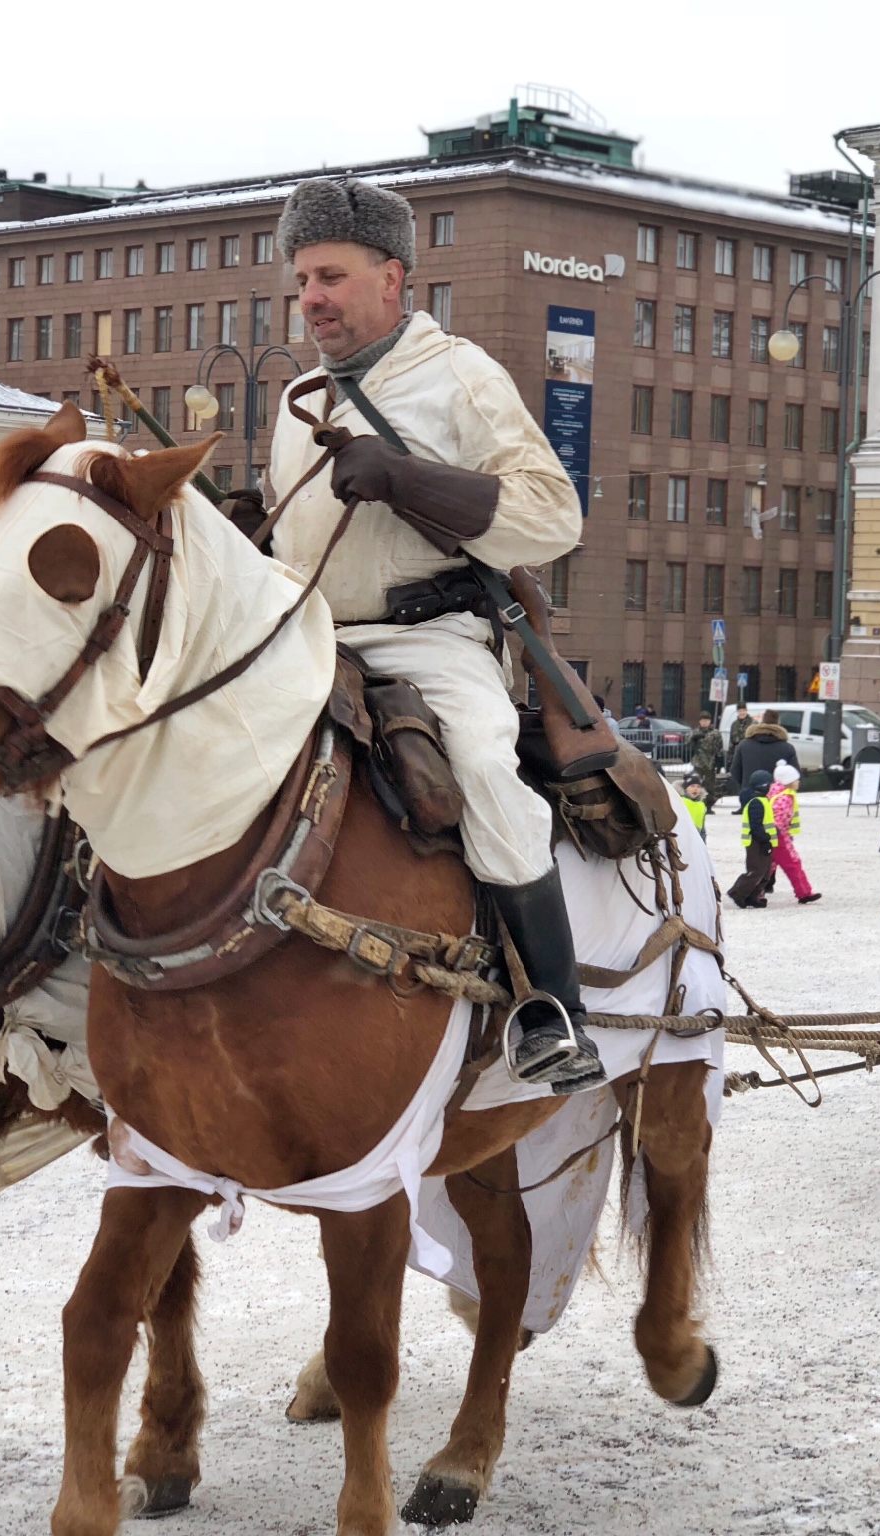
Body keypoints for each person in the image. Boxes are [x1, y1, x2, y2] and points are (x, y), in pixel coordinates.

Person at [267, 176, 601, 1093]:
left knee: (489, 767)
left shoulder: (461, 375)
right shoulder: (299, 395)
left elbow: (552, 516)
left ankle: (553, 1010)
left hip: (430, 639)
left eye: (331, 275)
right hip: (303, 638)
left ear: (392, 278)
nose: (313, 299)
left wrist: (406, 478)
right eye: (302, 281)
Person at [767, 762, 821, 904]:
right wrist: (781, 835)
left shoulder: (778, 793)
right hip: (779, 837)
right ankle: (804, 892)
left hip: (776, 836)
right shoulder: (784, 798)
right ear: (789, 781)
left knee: (766, 867)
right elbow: (778, 820)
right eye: (796, 779)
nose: (799, 782)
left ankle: (751, 892)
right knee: (793, 863)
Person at [727, 770, 778, 908]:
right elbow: (756, 825)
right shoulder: (756, 803)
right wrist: (765, 840)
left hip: (764, 841)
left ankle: (753, 895)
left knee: (765, 873)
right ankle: (738, 893)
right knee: (756, 870)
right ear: (764, 785)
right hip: (756, 842)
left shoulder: (763, 801)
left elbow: (766, 822)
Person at [729, 708, 798, 793]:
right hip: (778, 799)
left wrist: (746, 786)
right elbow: (794, 776)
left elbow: (735, 771)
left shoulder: (744, 745)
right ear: (778, 723)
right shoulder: (787, 748)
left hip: (750, 795)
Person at [686, 713, 726, 810]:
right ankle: (696, 802)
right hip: (698, 762)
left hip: (710, 762)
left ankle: (708, 805)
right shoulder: (695, 732)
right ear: (700, 721)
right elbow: (687, 745)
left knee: (709, 785)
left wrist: (719, 762)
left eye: (706, 721)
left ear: (710, 722)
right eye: (702, 721)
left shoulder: (715, 733)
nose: (704, 723)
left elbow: (719, 748)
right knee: (696, 784)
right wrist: (693, 739)